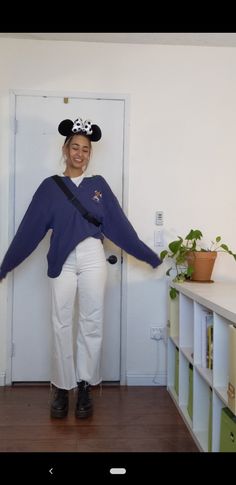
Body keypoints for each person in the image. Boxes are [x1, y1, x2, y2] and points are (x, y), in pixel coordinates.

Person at [0, 117, 162, 419]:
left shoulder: (99, 187)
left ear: (90, 154)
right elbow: (29, 231)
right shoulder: (50, 188)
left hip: (92, 257)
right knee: (60, 322)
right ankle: (62, 387)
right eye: (75, 147)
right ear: (65, 149)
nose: (80, 153)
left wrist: (148, 255)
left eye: (85, 149)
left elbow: (121, 228)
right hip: (62, 258)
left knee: (92, 321)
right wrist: (5, 266)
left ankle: (85, 385)